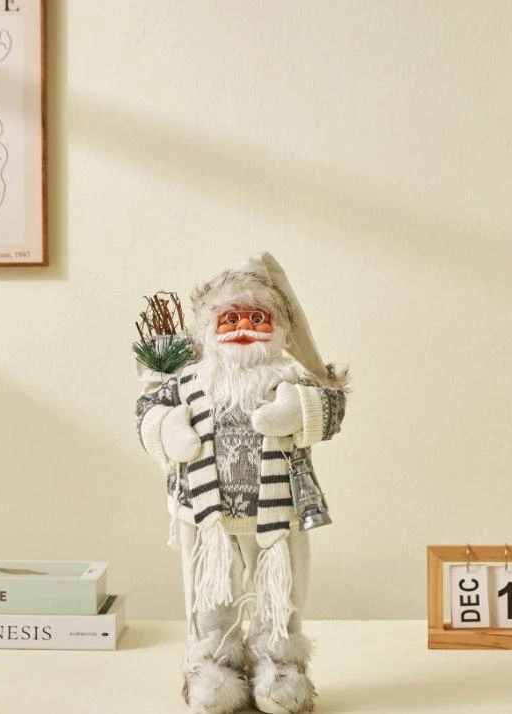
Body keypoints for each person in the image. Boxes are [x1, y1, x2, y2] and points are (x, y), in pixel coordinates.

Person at [135, 252, 348, 714]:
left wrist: (298, 412)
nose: (243, 327)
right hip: (207, 519)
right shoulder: (190, 381)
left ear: (280, 329)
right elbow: (147, 412)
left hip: (279, 515)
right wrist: (169, 429)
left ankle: (281, 667)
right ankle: (212, 666)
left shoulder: (293, 378)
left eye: (257, 317)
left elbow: (332, 409)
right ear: (208, 330)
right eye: (230, 318)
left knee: (281, 595)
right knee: (213, 595)